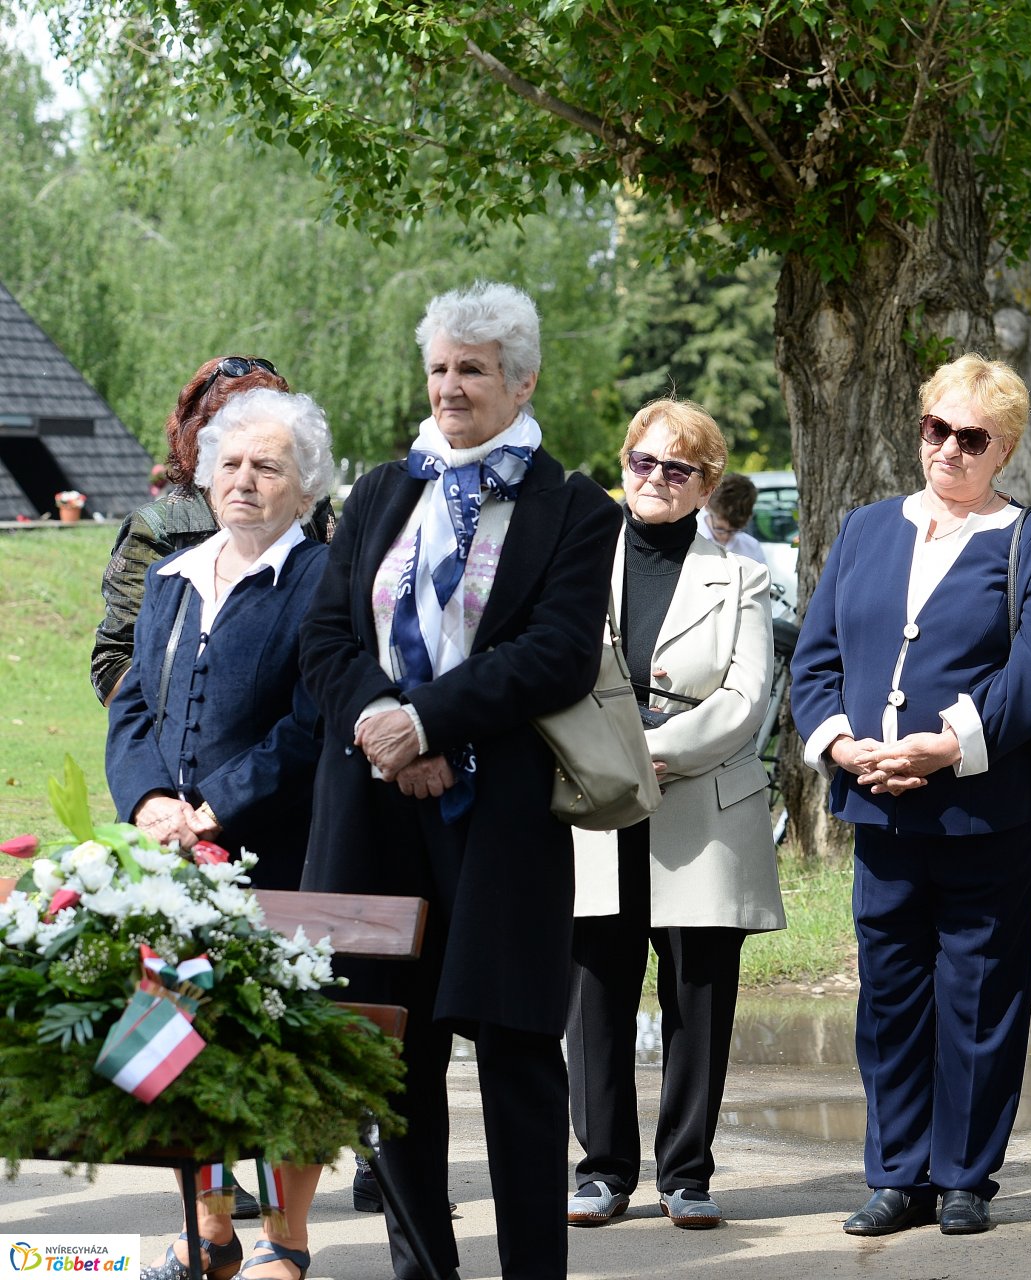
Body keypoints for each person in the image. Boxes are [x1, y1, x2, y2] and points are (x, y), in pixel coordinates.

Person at [299, 281, 621, 1280]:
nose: (450, 385)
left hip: (501, 819)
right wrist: (385, 726)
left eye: (473, 367)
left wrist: (429, 717)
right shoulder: (381, 492)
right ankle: (423, 1270)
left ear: (523, 379)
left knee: (519, 1058)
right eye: (439, 366)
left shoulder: (571, 506)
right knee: (389, 1058)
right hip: (372, 810)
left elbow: (557, 652)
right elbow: (324, 639)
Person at [789, 353, 1031, 1237]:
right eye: (935, 429)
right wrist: (842, 745)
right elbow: (817, 660)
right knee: (888, 995)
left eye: (971, 437)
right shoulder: (867, 528)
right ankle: (895, 1173)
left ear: (1004, 451)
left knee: (980, 993)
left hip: (983, 809)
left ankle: (964, 1176)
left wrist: (950, 747)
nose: (949, 449)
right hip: (878, 804)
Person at [105, 388, 334, 1280]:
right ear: (205, 477)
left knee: (282, 1052)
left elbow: (312, 724)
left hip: (282, 854)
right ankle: (210, 1233)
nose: (243, 480)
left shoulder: (322, 578)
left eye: (266, 466)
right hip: (172, 864)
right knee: (177, 1048)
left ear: (303, 485)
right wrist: (151, 801)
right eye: (230, 464)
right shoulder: (170, 577)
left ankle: (286, 1241)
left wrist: (215, 807)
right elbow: (133, 709)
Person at [564, 400, 785, 1231]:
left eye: (677, 469)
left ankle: (685, 1172)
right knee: (596, 988)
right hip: (596, 796)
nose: (655, 479)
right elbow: (552, 673)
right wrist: (614, 754)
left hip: (699, 802)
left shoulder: (743, 576)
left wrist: (662, 750)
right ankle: (603, 1168)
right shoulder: (576, 563)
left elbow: (746, 697)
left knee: (697, 990)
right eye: (642, 463)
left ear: (707, 485)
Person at [92, 356, 333, 707]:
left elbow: (344, 627)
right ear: (204, 436)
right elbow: (113, 662)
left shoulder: (311, 512)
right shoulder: (159, 529)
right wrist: (193, 721)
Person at [697, 472, 769, 564]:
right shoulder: (689, 539)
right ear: (707, 505)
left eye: (734, 530)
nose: (725, 536)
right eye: (720, 529)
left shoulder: (752, 548)